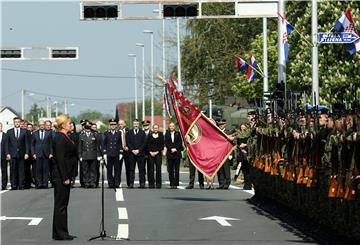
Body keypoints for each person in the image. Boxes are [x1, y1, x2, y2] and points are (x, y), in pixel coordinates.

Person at [52, 114, 77, 241]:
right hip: (61, 176)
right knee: (60, 205)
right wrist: (65, 177)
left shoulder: (66, 136)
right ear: (63, 125)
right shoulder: (60, 138)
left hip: (66, 174)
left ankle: (61, 231)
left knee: (63, 205)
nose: (70, 124)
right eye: (69, 123)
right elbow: (61, 159)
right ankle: (60, 233)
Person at [6, 117, 29, 190]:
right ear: (14, 122)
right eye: (16, 122)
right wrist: (7, 153)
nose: (17, 123)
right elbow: (7, 144)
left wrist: (27, 153)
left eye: (18, 122)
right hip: (12, 154)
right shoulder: (9, 132)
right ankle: (14, 185)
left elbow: (26, 143)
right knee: (13, 170)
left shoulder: (24, 131)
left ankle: (21, 185)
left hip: (22, 154)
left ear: (20, 123)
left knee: (21, 170)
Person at [78, 121, 102, 188]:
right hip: (84, 155)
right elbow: (80, 146)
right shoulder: (81, 135)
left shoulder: (94, 134)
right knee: (85, 170)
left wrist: (98, 155)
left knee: (93, 170)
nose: (88, 129)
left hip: (93, 155)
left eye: (89, 128)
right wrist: (80, 155)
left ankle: (93, 182)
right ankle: (86, 183)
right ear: (85, 128)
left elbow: (97, 146)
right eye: (86, 127)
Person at [31, 120, 53, 189]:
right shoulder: (34, 133)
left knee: (46, 170)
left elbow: (51, 144)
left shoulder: (48, 133)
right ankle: (39, 183)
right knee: (38, 170)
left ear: (44, 125)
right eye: (40, 125)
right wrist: (33, 153)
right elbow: (32, 145)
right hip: (37, 154)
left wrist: (51, 153)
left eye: (43, 124)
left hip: (46, 154)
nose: (42, 126)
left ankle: (45, 183)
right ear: (38, 125)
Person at [126, 119, 147, 188]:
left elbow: (144, 143)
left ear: (139, 124)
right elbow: (128, 142)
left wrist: (139, 150)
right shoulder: (129, 132)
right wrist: (132, 150)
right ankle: (131, 183)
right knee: (131, 169)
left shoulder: (142, 132)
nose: (136, 125)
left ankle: (142, 183)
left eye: (137, 124)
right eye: (134, 123)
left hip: (140, 154)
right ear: (132, 124)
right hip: (131, 154)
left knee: (141, 169)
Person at [102, 119, 122, 188]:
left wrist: (120, 152)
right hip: (109, 154)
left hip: (116, 154)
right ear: (109, 125)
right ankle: (110, 183)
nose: (113, 126)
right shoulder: (106, 133)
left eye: (114, 125)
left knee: (117, 170)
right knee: (109, 170)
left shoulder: (119, 133)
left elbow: (120, 143)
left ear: (116, 125)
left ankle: (117, 183)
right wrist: (104, 153)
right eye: (111, 125)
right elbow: (104, 144)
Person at [164, 122, 183, 189]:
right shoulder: (167, 134)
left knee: (177, 170)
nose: (171, 127)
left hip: (177, 154)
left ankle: (176, 183)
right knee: (171, 170)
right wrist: (171, 148)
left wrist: (175, 149)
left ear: (174, 127)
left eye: (173, 126)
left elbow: (180, 143)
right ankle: (172, 183)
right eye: (170, 126)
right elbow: (166, 143)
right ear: (169, 127)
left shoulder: (178, 133)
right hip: (170, 154)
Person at [146, 124, 164, 189]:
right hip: (150, 154)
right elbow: (147, 144)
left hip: (158, 154)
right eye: (154, 128)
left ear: (158, 128)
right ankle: (151, 184)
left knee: (158, 169)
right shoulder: (149, 135)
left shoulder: (161, 135)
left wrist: (156, 152)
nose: (155, 129)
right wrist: (150, 152)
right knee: (151, 169)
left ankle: (158, 184)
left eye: (157, 128)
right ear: (153, 129)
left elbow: (162, 145)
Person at [118, 120, 130, 187]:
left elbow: (131, 140)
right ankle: (118, 182)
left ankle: (129, 183)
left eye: (122, 124)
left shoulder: (129, 131)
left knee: (128, 168)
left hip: (127, 152)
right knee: (118, 168)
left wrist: (128, 147)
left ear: (124, 124)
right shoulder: (117, 132)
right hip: (119, 152)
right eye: (119, 124)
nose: (120, 125)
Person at [1, 122, 9, 190]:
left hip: (3, 155)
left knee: (4, 171)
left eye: (0, 126)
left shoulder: (5, 135)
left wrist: (7, 154)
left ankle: (4, 185)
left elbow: (7, 146)